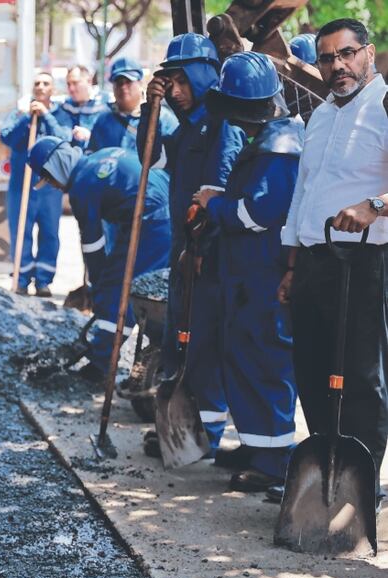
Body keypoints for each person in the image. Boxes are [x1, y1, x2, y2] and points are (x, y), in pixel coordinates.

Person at [277, 18, 388, 503]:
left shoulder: (383, 105)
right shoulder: (321, 114)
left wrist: (375, 206)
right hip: (315, 263)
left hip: (366, 262)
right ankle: (324, 473)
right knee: (313, 369)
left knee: (361, 377)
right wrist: (292, 266)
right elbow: (305, 193)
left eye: (346, 54)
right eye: (327, 58)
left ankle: (360, 487)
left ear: (368, 53)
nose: (337, 65)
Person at [191, 52, 300, 492]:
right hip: (247, 275)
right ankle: (257, 444)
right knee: (243, 357)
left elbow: (260, 211)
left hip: (263, 274)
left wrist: (212, 204)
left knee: (264, 359)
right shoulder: (268, 138)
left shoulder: (279, 147)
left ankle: (275, 460)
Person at [140, 33, 245, 458]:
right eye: (172, 84)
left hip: (209, 256)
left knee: (204, 344)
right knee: (181, 343)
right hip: (185, 251)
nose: (177, 92)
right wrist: (152, 108)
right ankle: (187, 430)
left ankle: (209, 435)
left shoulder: (222, 125)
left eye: (182, 82)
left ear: (204, 75)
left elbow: (215, 192)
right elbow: (151, 158)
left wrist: (200, 250)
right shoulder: (186, 128)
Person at [29, 137, 171, 381]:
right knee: (141, 289)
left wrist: (98, 287)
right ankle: (159, 346)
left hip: (152, 222)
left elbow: (93, 245)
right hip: (163, 211)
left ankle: (103, 363)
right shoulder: (101, 154)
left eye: (50, 179)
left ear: (56, 166)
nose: (54, 186)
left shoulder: (81, 188)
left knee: (118, 291)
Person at [0, 71, 69, 295]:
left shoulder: (60, 114)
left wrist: (46, 115)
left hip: (49, 188)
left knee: (49, 233)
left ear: (53, 90)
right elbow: (6, 136)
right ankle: (21, 279)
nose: (40, 86)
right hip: (21, 186)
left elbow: (64, 139)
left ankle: (43, 281)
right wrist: (27, 118)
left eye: (46, 83)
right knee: (21, 232)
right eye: (36, 83)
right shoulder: (21, 113)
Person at [89, 58, 178, 153]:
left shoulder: (161, 118)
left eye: (128, 81)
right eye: (119, 83)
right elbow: (92, 153)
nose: (123, 87)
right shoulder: (104, 120)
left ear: (140, 83)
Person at [57, 65, 103, 148]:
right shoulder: (67, 104)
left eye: (75, 83)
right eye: (68, 84)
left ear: (89, 81)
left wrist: (90, 136)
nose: (71, 88)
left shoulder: (107, 102)